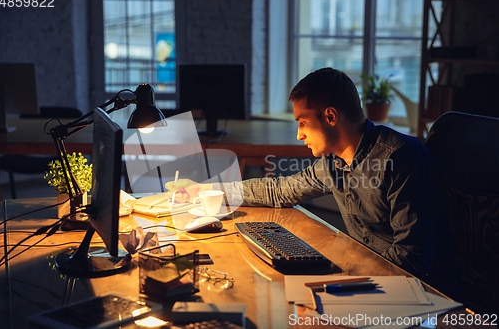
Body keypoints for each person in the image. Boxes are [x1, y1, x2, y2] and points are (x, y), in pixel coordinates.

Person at [167, 67, 458, 297]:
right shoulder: (334, 161)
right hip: (369, 282)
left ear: (330, 116)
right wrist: (206, 189)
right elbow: (280, 190)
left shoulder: (402, 158)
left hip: (415, 296)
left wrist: (337, 268)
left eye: (302, 122)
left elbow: (410, 262)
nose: (298, 135)